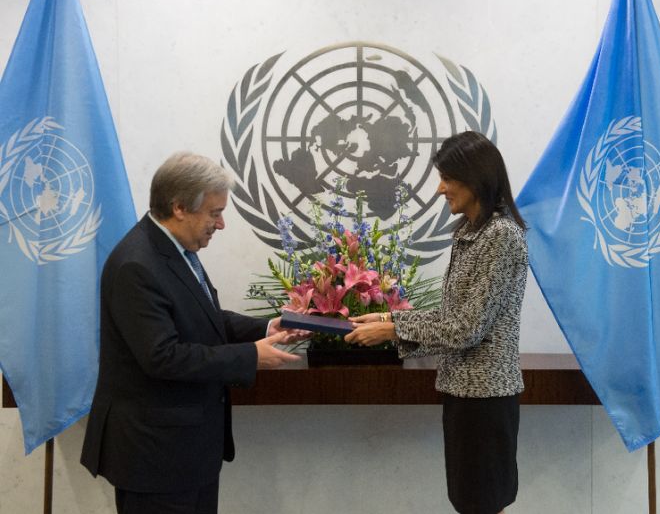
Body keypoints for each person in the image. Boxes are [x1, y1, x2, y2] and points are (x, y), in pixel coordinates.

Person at [80, 152, 302, 514]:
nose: (222, 224)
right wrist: (251, 356)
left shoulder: (172, 248)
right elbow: (162, 356)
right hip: (155, 459)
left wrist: (266, 327)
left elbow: (202, 318)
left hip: (187, 452)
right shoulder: (137, 265)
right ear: (180, 207)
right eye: (215, 213)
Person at [344, 131, 529, 514]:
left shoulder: (501, 236)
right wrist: (387, 317)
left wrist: (394, 328)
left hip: (486, 398)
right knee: (468, 502)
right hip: (463, 394)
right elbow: (453, 318)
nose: (440, 188)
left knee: (481, 503)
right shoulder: (470, 234)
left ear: (475, 177)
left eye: (447, 178)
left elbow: (467, 328)